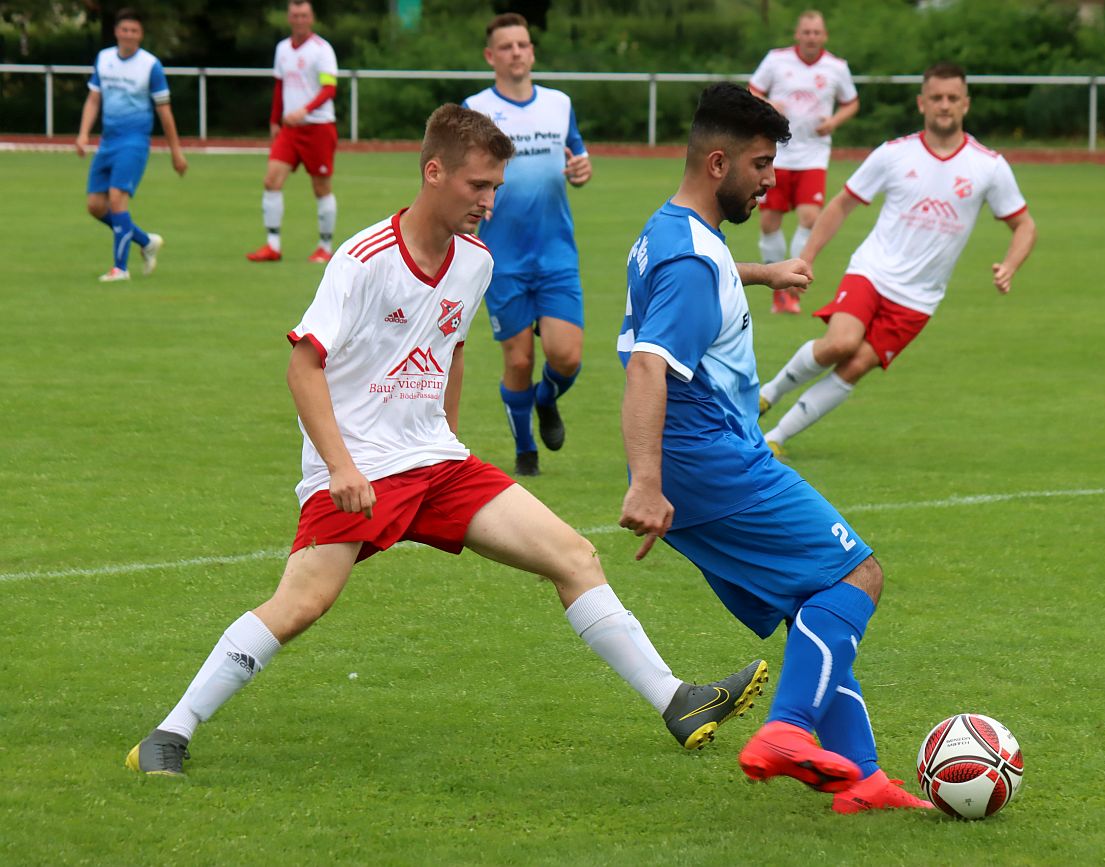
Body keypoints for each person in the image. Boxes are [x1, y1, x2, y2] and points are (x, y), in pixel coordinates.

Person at [126, 104, 767, 778]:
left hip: (437, 464)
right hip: (359, 468)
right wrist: (341, 466)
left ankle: (677, 701)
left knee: (574, 556)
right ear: (434, 172)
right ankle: (171, 731)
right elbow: (302, 365)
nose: (490, 202)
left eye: (496, 188)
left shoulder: (475, 263)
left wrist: (446, 434)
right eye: (478, 186)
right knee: (301, 604)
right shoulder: (363, 259)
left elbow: (450, 347)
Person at [617, 83, 932, 814]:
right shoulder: (693, 260)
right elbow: (647, 363)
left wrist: (763, 274)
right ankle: (788, 729)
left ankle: (864, 777)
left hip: (699, 458)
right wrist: (646, 481)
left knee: (808, 601)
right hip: (710, 456)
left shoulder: (674, 233)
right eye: (762, 164)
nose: (772, 181)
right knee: (857, 576)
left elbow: (694, 286)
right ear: (719, 161)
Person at [760, 62, 1037, 455]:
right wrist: (805, 257)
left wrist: (1010, 264)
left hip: (919, 298)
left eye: (953, 98)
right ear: (921, 102)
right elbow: (840, 205)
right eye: (937, 98)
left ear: (966, 104)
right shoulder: (893, 154)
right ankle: (766, 395)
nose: (945, 105)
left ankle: (775, 439)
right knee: (840, 344)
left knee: (855, 366)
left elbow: (1025, 226)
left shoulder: (988, 166)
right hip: (871, 271)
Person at [463, 13, 592, 477]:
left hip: (556, 250)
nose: (516, 52)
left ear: (532, 52)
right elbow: (465, 170)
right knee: (518, 359)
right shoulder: (476, 107)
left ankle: (546, 398)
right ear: (491, 56)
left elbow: (577, 154)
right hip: (503, 256)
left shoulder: (559, 103)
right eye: (507, 46)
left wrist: (583, 170)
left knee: (567, 356)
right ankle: (525, 449)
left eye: (523, 44)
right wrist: (477, 197)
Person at [748, 9, 858, 314]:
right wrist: (768, 103)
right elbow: (753, 88)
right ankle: (776, 285)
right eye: (806, 32)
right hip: (778, 154)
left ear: (824, 36)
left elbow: (852, 102)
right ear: (798, 34)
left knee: (810, 217)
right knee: (770, 222)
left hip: (814, 155)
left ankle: (792, 287)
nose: (811, 37)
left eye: (816, 32)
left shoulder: (836, 67)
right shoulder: (776, 59)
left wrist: (834, 121)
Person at [75, 7, 187, 282]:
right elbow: (93, 99)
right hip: (108, 141)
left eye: (134, 31)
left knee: (116, 200)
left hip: (134, 141)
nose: (128, 35)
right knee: (95, 206)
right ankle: (146, 241)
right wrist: (83, 133)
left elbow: (164, 111)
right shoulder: (104, 59)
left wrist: (176, 152)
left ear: (140, 35)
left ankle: (120, 268)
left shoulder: (150, 65)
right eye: (124, 30)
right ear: (116, 32)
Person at [246, 0, 340, 264]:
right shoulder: (282, 49)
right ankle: (272, 245)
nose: (300, 19)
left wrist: (304, 110)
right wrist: (275, 120)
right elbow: (279, 86)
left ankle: (325, 246)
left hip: (319, 127)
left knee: (321, 187)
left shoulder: (322, 50)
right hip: (289, 129)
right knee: (271, 181)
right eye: (295, 15)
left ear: (311, 18)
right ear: (289, 17)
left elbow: (329, 89)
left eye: (304, 15)